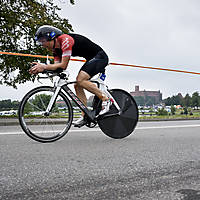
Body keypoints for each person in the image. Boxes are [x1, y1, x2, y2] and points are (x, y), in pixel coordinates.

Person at [29, 25, 112, 127]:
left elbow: (63, 65)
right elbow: (58, 68)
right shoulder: (56, 50)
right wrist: (41, 70)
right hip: (91, 59)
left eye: (43, 42)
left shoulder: (65, 40)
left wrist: (44, 67)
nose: (43, 45)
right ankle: (85, 116)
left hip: (100, 57)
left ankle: (106, 99)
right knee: (77, 85)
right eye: (41, 43)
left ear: (52, 37)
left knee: (80, 80)